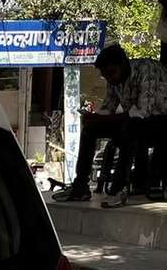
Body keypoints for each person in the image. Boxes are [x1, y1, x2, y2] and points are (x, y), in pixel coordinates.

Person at [53, 44, 167, 205]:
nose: (110, 79)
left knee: (131, 127)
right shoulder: (114, 79)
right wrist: (94, 118)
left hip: (160, 121)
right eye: (106, 75)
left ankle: (118, 188)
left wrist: (104, 119)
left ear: (123, 66)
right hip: (135, 121)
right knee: (91, 129)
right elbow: (108, 107)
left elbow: (142, 112)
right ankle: (80, 186)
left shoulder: (147, 70)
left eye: (112, 73)